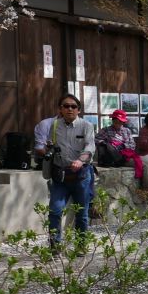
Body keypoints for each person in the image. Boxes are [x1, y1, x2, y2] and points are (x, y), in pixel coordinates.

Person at [33, 93, 95, 246]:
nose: (69, 109)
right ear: (60, 109)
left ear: (78, 110)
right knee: (55, 211)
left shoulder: (86, 126)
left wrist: (80, 161)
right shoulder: (54, 126)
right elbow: (47, 145)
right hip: (60, 175)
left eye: (73, 106)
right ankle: (54, 245)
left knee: (81, 213)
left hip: (81, 175)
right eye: (66, 106)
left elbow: (90, 146)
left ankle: (81, 245)